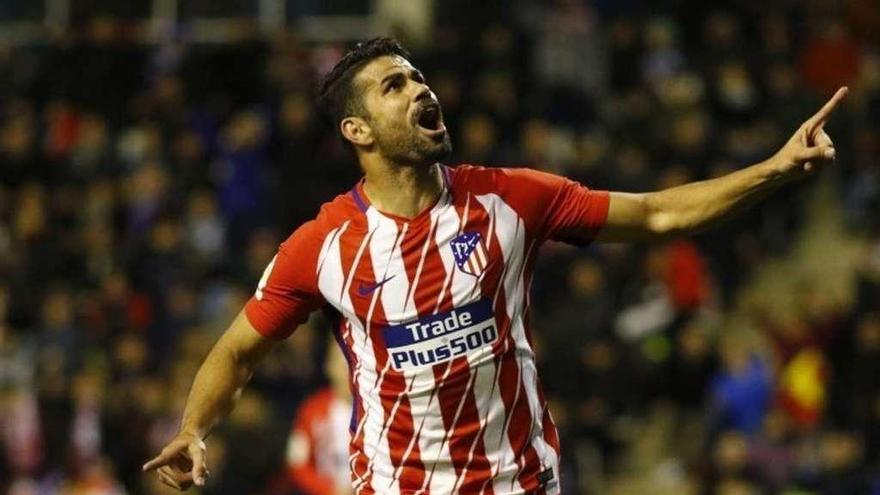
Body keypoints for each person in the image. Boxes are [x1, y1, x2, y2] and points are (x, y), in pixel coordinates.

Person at [143, 37, 847, 494]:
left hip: (521, 483)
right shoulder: (322, 245)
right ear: (357, 131)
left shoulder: (511, 199)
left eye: (418, 76)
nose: (420, 89)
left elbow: (658, 213)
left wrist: (775, 170)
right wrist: (195, 427)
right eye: (394, 85)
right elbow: (237, 350)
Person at [285, 337, 353, 495]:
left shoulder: (379, 409)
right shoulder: (312, 410)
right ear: (329, 366)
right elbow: (297, 463)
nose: (346, 370)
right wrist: (329, 490)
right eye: (341, 363)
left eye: (351, 362)